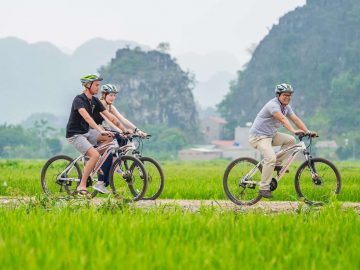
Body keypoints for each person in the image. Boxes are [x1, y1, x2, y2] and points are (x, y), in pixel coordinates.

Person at [248, 83, 317, 198]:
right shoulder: (273, 105)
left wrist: (307, 131)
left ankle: (276, 164)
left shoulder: (286, 107)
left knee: (290, 140)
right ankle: (264, 188)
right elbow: (282, 119)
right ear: (278, 95)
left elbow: (295, 119)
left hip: (271, 135)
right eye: (285, 95)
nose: (288, 97)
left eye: (290, 95)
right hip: (258, 136)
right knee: (270, 158)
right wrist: (293, 131)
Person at [65, 74, 128, 196]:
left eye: (99, 85)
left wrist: (124, 130)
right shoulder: (79, 99)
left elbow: (111, 117)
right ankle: (81, 186)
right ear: (88, 85)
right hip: (75, 134)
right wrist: (100, 130)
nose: (98, 88)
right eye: (96, 85)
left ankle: (93, 160)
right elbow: (87, 117)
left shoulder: (94, 101)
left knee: (111, 138)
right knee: (94, 155)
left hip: (87, 132)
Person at [91, 83, 147, 194]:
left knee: (122, 140)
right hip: (94, 132)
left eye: (114, 95)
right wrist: (122, 131)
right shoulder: (100, 104)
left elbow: (122, 119)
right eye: (111, 95)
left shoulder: (111, 106)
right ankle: (107, 171)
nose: (113, 98)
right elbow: (109, 121)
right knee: (119, 137)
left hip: (105, 131)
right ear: (104, 95)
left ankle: (115, 163)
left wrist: (138, 130)